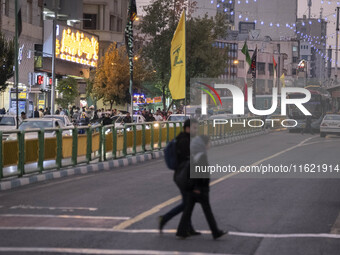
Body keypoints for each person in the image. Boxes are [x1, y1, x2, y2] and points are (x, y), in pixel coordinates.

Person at [176, 135, 226, 240]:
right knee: (207, 211)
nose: (210, 144)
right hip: (199, 189)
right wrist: (198, 187)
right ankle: (215, 232)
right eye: (209, 142)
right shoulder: (201, 156)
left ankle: (181, 231)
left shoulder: (196, 154)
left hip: (193, 189)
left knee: (188, 210)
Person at [158, 119, 200, 236]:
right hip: (183, 177)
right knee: (187, 203)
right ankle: (165, 218)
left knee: (188, 201)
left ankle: (189, 228)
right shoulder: (185, 141)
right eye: (194, 128)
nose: (196, 130)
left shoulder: (183, 138)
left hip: (181, 175)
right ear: (187, 128)